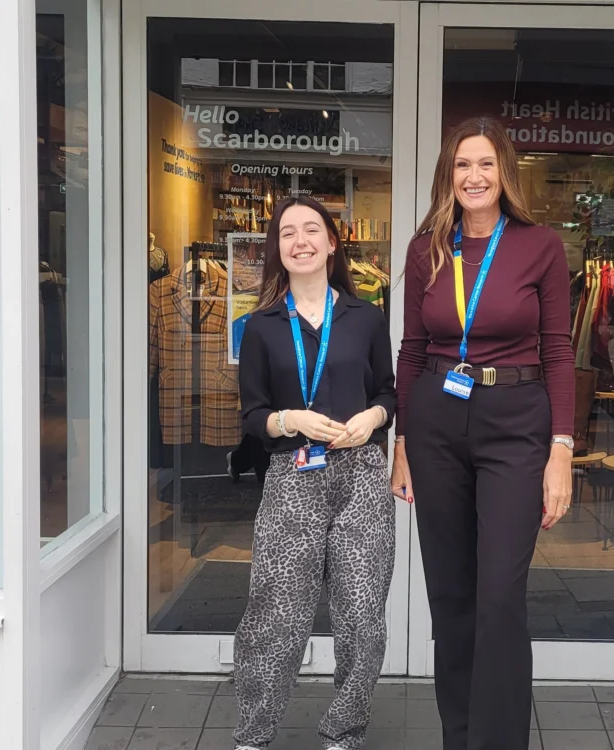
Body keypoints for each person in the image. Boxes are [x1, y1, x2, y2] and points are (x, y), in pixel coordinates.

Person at [391, 117, 576, 749]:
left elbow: (559, 352)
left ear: (505, 174)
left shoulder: (541, 245)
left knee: (499, 593)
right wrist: (404, 444)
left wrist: (561, 451)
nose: (474, 176)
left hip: (516, 421)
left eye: (487, 164)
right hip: (437, 418)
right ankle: (458, 737)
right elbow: (411, 349)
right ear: (449, 175)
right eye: (463, 165)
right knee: (450, 592)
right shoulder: (426, 250)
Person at [233, 196, 397, 750]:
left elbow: (388, 392)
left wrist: (374, 417)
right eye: (287, 233)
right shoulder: (260, 327)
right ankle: (253, 734)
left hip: (363, 475)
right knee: (274, 613)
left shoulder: (366, 317)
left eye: (311, 230)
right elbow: (252, 415)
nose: (300, 240)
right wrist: (290, 418)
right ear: (278, 249)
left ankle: (344, 733)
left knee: (361, 614)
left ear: (332, 242)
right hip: (293, 475)